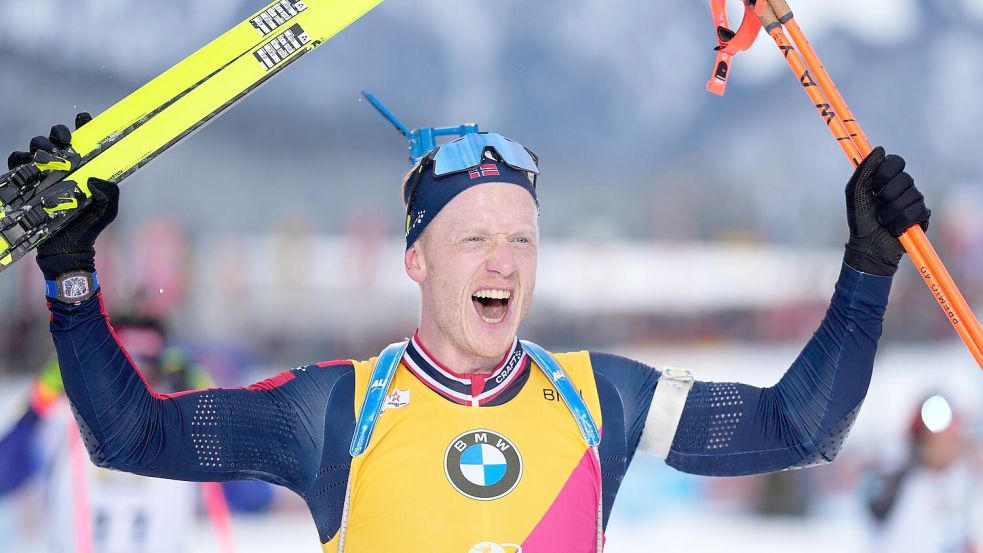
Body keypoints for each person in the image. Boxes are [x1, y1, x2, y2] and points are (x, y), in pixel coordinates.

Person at [7, 118, 931, 552]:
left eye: (521, 237)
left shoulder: (596, 396)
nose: (502, 261)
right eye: (474, 237)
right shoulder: (339, 408)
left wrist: (865, 268)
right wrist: (76, 284)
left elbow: (799, 426)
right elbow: (133, 436)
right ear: (417, 258)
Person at [0, 313, 269, 553]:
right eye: (125, 363)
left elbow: (253, 499)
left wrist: (214, 412)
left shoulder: (184, 428)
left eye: (147, 364)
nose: (134, 378)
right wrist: (38, 404)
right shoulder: (64, 419)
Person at [865, 395, 982, 553]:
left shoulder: (962, 482)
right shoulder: (905, 487)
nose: (944, 447)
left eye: (950, 438)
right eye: (936, 440)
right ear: (921, 442)